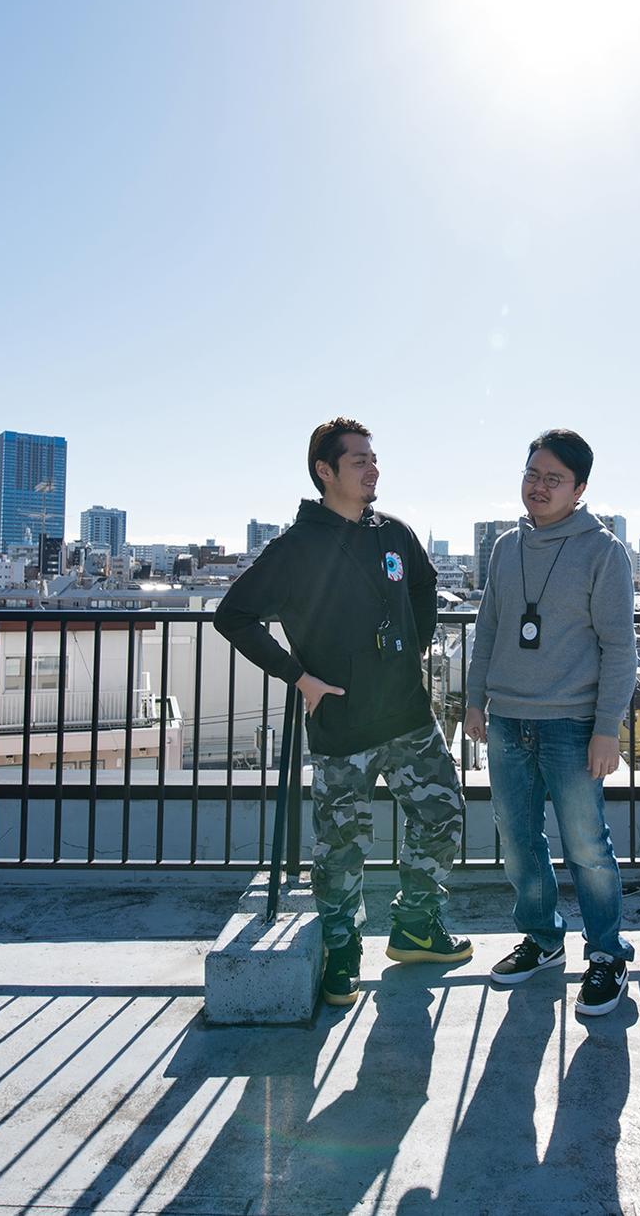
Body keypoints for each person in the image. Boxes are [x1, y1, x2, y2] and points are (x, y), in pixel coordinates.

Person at [216, 417, 471, 1007]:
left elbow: (424, 586)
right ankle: (342, 949)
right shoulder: (296, 548)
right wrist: (298, 677)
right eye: (359, 460)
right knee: (340, 846)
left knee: (442, 814)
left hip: (408, 714)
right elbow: (233, 617)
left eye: (373, 458)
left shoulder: (394, 533)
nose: (372, 468)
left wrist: (413, 647)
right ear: (325, 471)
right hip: (342, 722)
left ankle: (416, 926)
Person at [463, 429, 637, 1017]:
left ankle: (607, 953)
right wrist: (474, 699)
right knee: (518, 843)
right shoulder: (505, 546)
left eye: (554, 479)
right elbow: (488, 628)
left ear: (579, 489)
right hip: (508, 720)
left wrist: (607, 728)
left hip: (572, 724)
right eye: (532, 474)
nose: (539, 487)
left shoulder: (603, 551)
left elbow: (620, 647)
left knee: (587, 847)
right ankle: (542, 940)